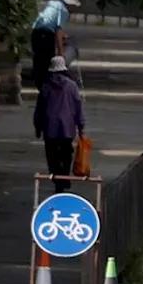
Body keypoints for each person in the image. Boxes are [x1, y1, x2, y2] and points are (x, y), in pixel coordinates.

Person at [33, 56, 84, 193]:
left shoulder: (45, 87)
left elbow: (40, 109)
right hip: (67, 128)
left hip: (50, 127)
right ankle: (64, 176)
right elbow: (77, 106)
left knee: (52, 155)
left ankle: (57, 178)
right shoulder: (72, 86)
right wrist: (81, 125)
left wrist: (38, 126)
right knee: (67, 154)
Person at [31, 0, 81, 89]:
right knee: (47, 62)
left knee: (38, 59)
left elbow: (51, 22)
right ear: (70, 4)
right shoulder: (64, 10)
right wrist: (61, 53)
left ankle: (39, 83)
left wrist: (63, 35)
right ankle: (46, 87)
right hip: (46, 35)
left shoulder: (53, 4)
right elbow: (58, 31)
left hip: (36, 33)